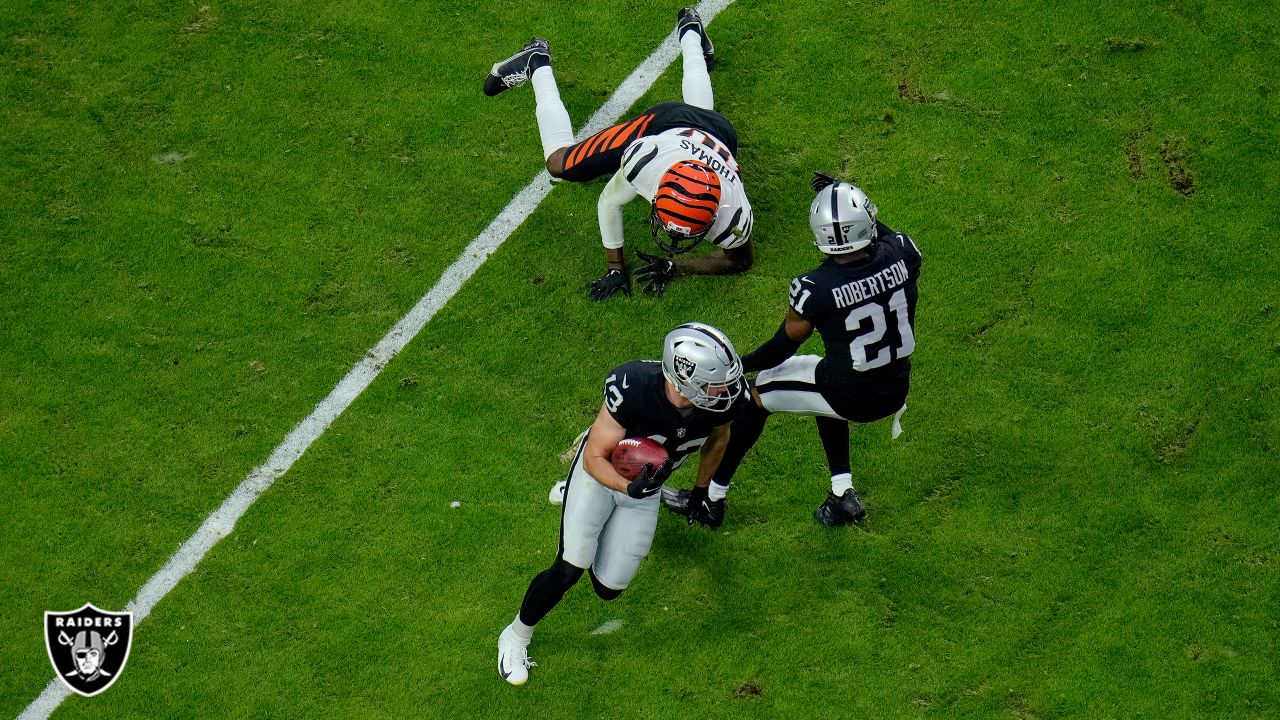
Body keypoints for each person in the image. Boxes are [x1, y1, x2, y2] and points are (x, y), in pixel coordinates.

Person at [663, 172, 921, 528]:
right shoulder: (904, 253)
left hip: (854, 394)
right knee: (816, 377)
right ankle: (842, 494)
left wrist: (739, 365)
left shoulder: (815, 288)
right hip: (894, 382)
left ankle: (711, 500)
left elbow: (781, 348)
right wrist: (850, 207)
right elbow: (884, 235)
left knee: (754, 397)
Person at [497, 323, 749, 685]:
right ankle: (516, 635)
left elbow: (719, 436)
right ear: (683, 378)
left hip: (646, 487)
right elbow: (595, 459)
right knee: (571, 567)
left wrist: (699, 489)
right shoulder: (633, 387)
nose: (726, 391)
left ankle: (596, 509)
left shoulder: (722, 401)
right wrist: (627, 490)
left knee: (608, 589)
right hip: (602, 471)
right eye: (715, 384)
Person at [482, 7, 754, 300]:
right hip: (662, 125)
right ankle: (535, 62)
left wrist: (676, 266)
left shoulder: (734, 212)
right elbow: (610, 201)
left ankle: (690, 31)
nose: (673, 238)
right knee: (560, 164)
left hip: (718, 134)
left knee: (703, 112)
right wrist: (616, 267)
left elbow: (739, 261)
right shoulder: (644, 163)